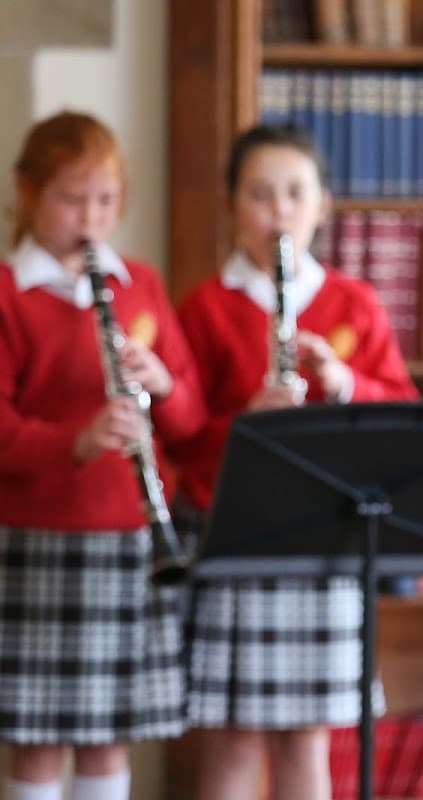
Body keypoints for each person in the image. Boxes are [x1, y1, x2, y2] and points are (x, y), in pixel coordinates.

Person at [173, 123, 419, 800]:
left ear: (321, 206)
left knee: (308, 734)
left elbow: (400, 411)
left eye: (293, 193)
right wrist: (248, 423)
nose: (278, 210)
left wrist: (342, 384)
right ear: (232, 209)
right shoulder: (206, 307)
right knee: (230, 732)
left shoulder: (353, 301)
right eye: (259, 194)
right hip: (237, 535)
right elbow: (182, 434)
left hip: (325, 537)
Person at [0, 110, 203, 800]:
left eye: (106, 200)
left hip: (128, 537)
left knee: (106, 735)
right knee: (35, 741)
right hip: (35, 537)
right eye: (71, 198)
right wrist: (75, 442)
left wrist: (162, 385)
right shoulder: (8, 293)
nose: (91, 217)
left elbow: (190, 419)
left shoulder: (138, 285)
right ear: (28, 193)